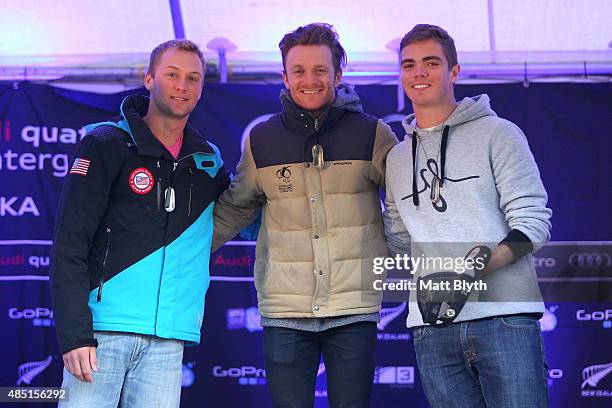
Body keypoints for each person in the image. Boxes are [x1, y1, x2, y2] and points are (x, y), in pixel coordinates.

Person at [213, 23, 398, 408]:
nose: (309, 80)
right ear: (284, 76)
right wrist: (178, 250)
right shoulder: (262, 139)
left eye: (320, 70)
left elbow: (405, 205)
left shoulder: (374, 134)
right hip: (285, 311)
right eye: (298, 70)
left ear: (338, 74)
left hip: (353, 308)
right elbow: (235, 207)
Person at [50, 39, 229, 407]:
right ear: (149, 79)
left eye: (193, 78)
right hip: (101, 334)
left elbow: (244, 211)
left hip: (167, 339)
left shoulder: (206, 160)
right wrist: (74, 335)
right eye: (172, 75)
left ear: (201, 89)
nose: (182, 86)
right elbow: (70, 244)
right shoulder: (106, 144)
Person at [383, 24, 553, 407]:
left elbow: (532, 223)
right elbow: (398, 236)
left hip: (504, 316)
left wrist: (475, 269)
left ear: (454, 71)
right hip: (432, 326)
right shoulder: (395, 158)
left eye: (431, 63)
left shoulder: (499, 133)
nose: (419, 73)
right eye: (409, 64)